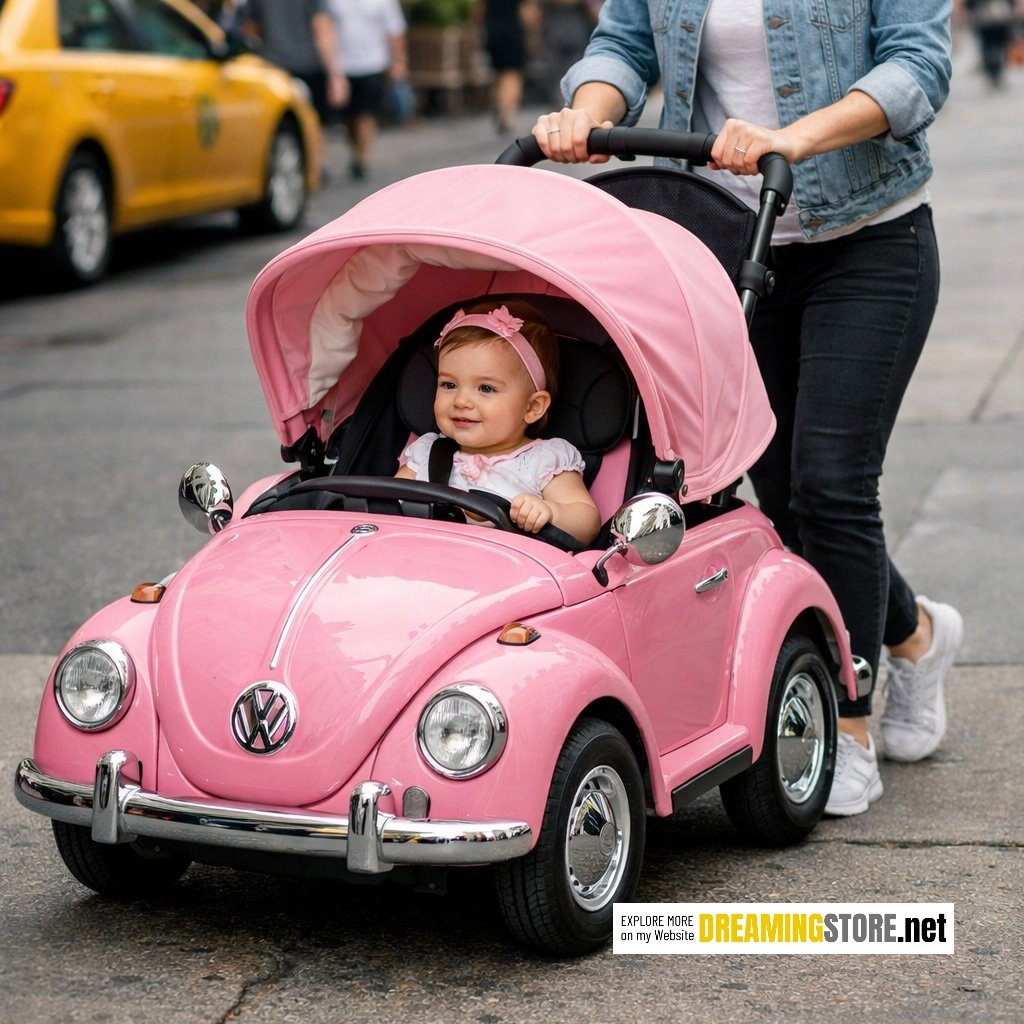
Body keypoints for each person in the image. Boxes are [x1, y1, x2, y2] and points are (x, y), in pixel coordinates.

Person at [532, 0, 963, 815]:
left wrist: (793, 138)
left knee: (831, 483)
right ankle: (913, 634)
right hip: (732, 247)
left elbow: (916, 69)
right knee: (778, 497)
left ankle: (847, 720)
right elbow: (623, 45)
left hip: (871, 241)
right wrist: (583, 115)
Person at [396, 300, 601, 545]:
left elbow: (587, 523)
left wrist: (551, 512)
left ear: (532, 407)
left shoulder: (544, 460)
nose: (461, 400)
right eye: (449, 385)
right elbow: (388, 504)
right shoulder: (428, 450)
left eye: (486, 388)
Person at [239, 0, 348, 174]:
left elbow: (249, 28)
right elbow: (321, 27)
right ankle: (316, 166)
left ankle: (283, 168)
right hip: (309, 64)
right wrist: (334, 73)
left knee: (279, 121)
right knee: (315, 119)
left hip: (273, 66)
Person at [327, 0, 408, 180]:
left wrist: (399, 61)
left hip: (373, 64)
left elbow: (395, 30)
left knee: (366, 113)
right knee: (348, 117)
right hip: (342, 66)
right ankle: (356, 149)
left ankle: (362, 158)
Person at [483, 0, 539, 133]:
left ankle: (498, 102)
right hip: (513, 30)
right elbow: (528, 11)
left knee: (497, 73)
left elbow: (479, 9)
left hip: (492, 30)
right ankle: (506, 113)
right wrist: (533, 34)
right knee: (513, 75)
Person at [537, 0, 602, 109]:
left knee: (558, 70)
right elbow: (594, 9)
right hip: (573, 29)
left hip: (558, 29)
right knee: (573, 68)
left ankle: (562, 102)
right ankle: (569, 101)